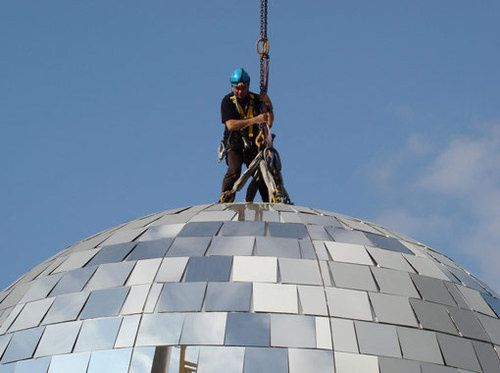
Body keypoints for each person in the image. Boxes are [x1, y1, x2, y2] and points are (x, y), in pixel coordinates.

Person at [219, 67, 274, 203]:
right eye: (237, 88)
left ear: (248, 86)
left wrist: (268, 104)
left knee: (261, 175)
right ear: (232, 87)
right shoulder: (228, 101)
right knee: (234, 171)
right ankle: (225, 199)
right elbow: (231, 125)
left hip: (253, 144)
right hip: (235, 144)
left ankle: (269, 202)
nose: (240, 91)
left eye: (243, 88)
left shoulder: (255, 99)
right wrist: (255, 120)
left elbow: (269, 122)